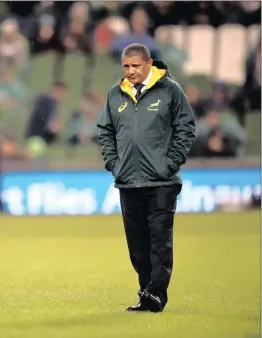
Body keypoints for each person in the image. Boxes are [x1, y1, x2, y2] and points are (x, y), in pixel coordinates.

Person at [97, 43, 196, 312]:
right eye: (126, 66)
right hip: (128, 181)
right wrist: (114, 163)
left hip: (162, 182)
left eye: (135, 66)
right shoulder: (115, 95)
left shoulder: (170, 91)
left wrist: (171, 162)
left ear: (149, 64)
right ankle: (146, 291)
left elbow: (186, 127)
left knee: (159, 240)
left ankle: (156, 294)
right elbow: (105, 131)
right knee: (137, 245)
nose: (130, 71)